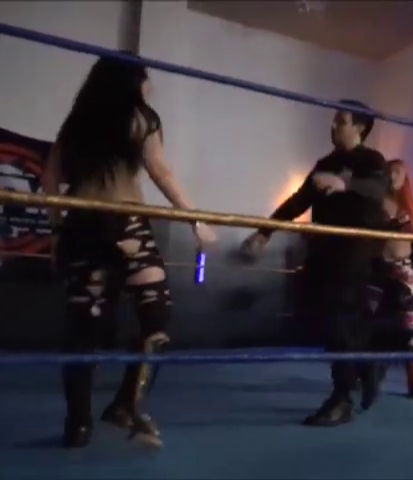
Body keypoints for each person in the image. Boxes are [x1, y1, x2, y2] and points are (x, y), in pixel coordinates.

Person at [40, 54, 218, 449]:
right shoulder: (140, 117)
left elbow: (50, 179)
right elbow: (160, 171)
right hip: (125, 224)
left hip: (81, 224)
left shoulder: (77, 121)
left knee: (82, 326)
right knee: (156, 314)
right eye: (146, 78)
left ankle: (78, 423)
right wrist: (196, 220)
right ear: (133, 81)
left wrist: (56, 230)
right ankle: (126, 405)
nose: (150, 86)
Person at [239, 100, 390, 427]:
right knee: (340, 315)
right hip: (326, 247)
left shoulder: (372, 160)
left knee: (340, 315)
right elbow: (299, 200)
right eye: (334, 120)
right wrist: (264, 232)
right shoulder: (326, 163)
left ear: (360, 127)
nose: (333, 126)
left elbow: (378, 189)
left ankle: (343, 397)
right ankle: (370, 364)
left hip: (357, 247)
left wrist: (345, 184)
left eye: (341, 120)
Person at [366, 159, 413, 402]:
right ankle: (364, 373)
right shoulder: (376, 204)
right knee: (367, 322)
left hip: (403, 269)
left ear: (405, 177)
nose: (392, 175)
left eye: (397, 171)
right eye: (389, 171)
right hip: (377, 269)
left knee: (410, 329)